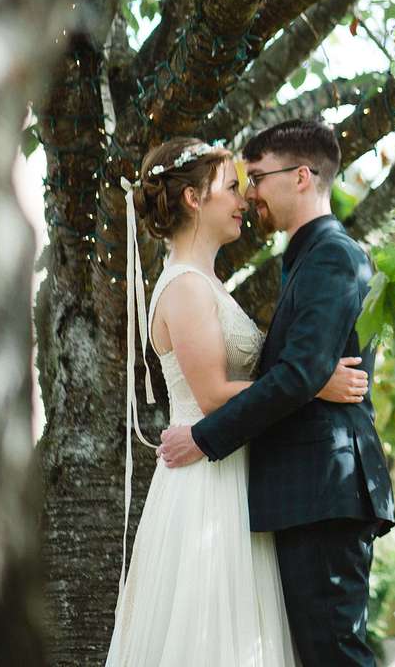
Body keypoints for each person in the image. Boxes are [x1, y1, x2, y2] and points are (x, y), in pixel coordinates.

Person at [106, 137, 370, 666]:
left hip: (237, 471)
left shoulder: (209, 283)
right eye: (232, 187)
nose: (244, 200)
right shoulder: (185, 286)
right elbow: (209, 398)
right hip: (207, 476)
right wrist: (314, 381)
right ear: (193, 200)